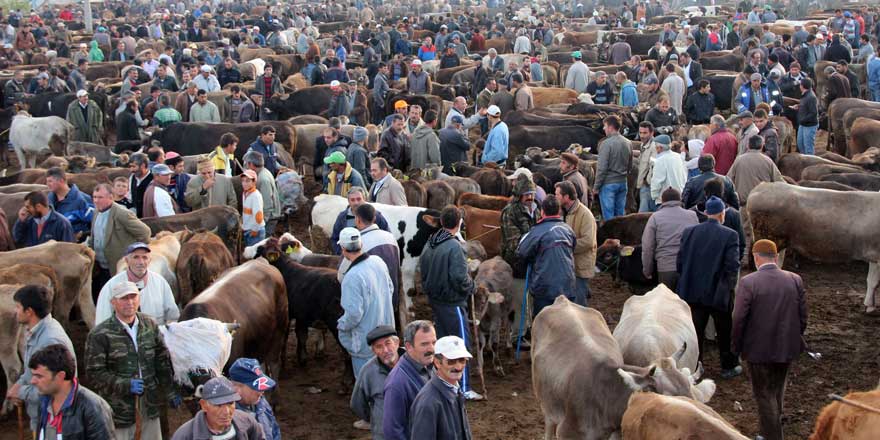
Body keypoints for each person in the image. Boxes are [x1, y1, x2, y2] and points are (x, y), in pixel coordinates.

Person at [86, 280, 180, 440]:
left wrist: (170, 391)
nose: (129, 302)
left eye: (133, 297)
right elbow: (94, 374)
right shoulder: (100, 335)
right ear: (113, 302)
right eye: (124, 298)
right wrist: (125, 384)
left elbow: (161, 361)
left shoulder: (149, 325)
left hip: (149, 406)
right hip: (119, 412)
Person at [732, 239, 807, 440]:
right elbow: (803, 316)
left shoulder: (748, 283)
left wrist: (736, 346)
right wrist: (794, 337)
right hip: (786, 347)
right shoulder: (794, 279)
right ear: (775, 257)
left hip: (758, 350)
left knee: (764, 396)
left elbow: (739, 318)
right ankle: (769, 431)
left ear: (756, 258)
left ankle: (773, 436)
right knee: (777, 391)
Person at [418, 206, 482, 400]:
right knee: (460, 343)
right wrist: (471, 286)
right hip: (452, 302)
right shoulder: (454, 247)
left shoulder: (431, 242)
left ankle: (443, 381)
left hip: (435, 301)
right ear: (459, 223)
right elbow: (458, 277)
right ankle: (463, 387)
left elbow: (423, 269)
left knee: (442, 343)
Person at [676, 196, 743, 379]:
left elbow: (680, 262)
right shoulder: (730, 235)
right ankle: (728, 366)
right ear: (722, 214)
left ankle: (696, 367)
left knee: (695, 331)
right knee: (724, 331)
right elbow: (732, 266)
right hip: (718, 294)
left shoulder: (689, 232)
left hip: (692, 291)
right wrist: (729, 288)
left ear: (706, 213)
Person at [6, 285, 77, 432]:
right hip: (44, 418)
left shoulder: (49, 341)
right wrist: (18, 385)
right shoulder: (39, 331)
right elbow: (31, 372)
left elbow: (57, 389)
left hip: (54, 422)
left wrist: (21, 393)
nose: (15, 311)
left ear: (29, 312)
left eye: (18, 307)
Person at [337, 227, 395, 376]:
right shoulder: (378, 261)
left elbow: (354, 314)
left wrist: (341, 325)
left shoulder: (351, 277)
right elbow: (391, 288)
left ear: (343, 249)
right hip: (387, 335)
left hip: (366, 343)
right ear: (361, 245)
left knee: (368, 382)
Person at [28, 344, 115, 439]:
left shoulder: (93, 407)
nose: (32, 381)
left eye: (39, 376)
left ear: (60, 376)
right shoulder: (44, 401)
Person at [517, 195, 577, 316]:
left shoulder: (536, 232)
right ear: (559, 211)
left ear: (542, 211)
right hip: (567, 286)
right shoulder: (568, 230)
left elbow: (521, 252)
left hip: (545, 289)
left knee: (544, 325)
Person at [94, 242, 179, 326]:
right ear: (127, 260)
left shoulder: (160, 282)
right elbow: (102, 322)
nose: (141, 262)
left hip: (155, 337)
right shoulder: (111, 286)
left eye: (145, 257)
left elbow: (173, 316)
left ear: (150, 260)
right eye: (136, 257)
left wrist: (165, 334)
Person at [409, 335, 474, 439]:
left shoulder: (455, 391)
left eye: (462, 360)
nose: (458, 367)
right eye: (451, 361)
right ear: (437, 362)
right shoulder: (428, 402)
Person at [383, 321, 436, 440]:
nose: (431, 349)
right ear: (408, 346)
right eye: (424, 344)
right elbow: (393, 432)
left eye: (434, 342)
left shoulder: (429, 365)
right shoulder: (396, 384)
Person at [641, 188, 699, 291]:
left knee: (667, 304)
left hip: (666, 268)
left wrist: (647, 270)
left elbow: (647, 247)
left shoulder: (655, 217)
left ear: (662, 201)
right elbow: (698, 242)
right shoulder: (692, 215)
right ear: (680, 199)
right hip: (688, 269)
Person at [171, 376, 264, 439]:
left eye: (230, 403)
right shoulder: (185, 435)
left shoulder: (247, 422)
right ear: (204, 405)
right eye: (218, 405)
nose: (226, 412)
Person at [351, 325, 401, 437]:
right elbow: (357, 404)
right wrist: (376, 419)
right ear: (374, 351)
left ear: (397, 343)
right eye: (379, 347)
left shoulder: (413, 362)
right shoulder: (368, 372)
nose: (385, 350)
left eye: (388, 343)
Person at [555, 181, 597, 306]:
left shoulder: (586, 215)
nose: (555, 196)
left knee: (579, 303)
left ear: (566, 197)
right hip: (568, 265)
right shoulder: (562, 212)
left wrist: (565, 247)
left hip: (580, 267)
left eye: (557, 194)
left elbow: (588, 241)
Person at [229, 358, 281, 440]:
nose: (262, 391)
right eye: (256, 387)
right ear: (237, 389)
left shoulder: (261, 402)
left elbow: (274, 430)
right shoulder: (227, 418)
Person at [501, 174, 541, 276]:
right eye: (527, 195)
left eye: (532, 194)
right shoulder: (510, 212)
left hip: (534, 262)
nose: (530, 198)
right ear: (519, 195)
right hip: (515, 264)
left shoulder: (536, 209)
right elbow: (514, 243)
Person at [330, 188, 391, 255]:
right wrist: (342, 254)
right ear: (348, 201)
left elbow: (387, 235)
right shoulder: (343, 217)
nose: (356, 203)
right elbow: (335, 239)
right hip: (350, 259)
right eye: (352, 200)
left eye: (359, 199)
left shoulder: (375, 215)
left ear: (364, 199)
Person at [594, 115, 632, 221]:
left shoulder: (605, 144)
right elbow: (630, 164)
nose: (603, 129)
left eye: (605, 126)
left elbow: (602, 168)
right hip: (623, 183)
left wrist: (596, 187)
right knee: (620, 216)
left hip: (608, 184)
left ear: (610, 127)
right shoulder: (628, 142)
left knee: (609, 218)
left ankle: (611, 237)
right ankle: (621, 237)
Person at [45, 167, 93, 238]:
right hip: (52, 243)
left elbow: (94, 224)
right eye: (47, 181)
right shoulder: (48, 199)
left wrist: (82, 235)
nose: (47, 184)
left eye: (50, 181)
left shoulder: (82, 200)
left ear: (61, 181)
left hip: (73, 245)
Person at [243, 150, 281, 234]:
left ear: (251, 164)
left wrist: (259, 225)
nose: (245, 168)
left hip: (269, 218)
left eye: (246, 164)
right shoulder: (263, 172)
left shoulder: (263, 179)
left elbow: (267, 204)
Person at [650, 134, 687, 205]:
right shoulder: (678, 157)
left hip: (664, 199)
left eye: (655, 147)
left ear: (659, 147)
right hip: (679, 197)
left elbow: (657, 181)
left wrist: (654, 196)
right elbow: (684, 176)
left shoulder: (660, 160)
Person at [793, 78, 818, 155]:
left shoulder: (811, 97)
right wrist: (799, 106)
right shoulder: (805, 95)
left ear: (802, 86)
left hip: (809, 125)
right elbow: (806, 106)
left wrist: (803, 120)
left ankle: (810, 163)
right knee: (800, 144)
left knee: (808, 147)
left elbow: (814, 113)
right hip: (803, 124)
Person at [240, 169, 265, 246]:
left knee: (254, 255)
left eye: (247, 181)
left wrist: (255, 230)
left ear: (254, 182)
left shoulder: (255, 196)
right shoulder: (245, 194)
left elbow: (258, 216)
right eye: (243, 181)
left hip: (255, 231)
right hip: (248, 229)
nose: (244, 183)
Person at [128, 153, 153, 218]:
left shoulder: (154, 179)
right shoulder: (132, 178)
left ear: (143, 165)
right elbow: (130, 197)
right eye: (130, 167)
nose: (131, 170)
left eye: (134, 166)